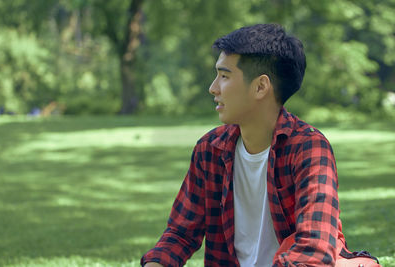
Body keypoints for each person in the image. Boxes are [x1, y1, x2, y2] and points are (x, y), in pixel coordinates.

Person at [140, 23, 359, 267]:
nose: (213, 88)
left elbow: (314, 248)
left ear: (260, 87)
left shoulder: (308, 149)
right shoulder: (210, 149)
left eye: (224, 76)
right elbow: (180, 234)